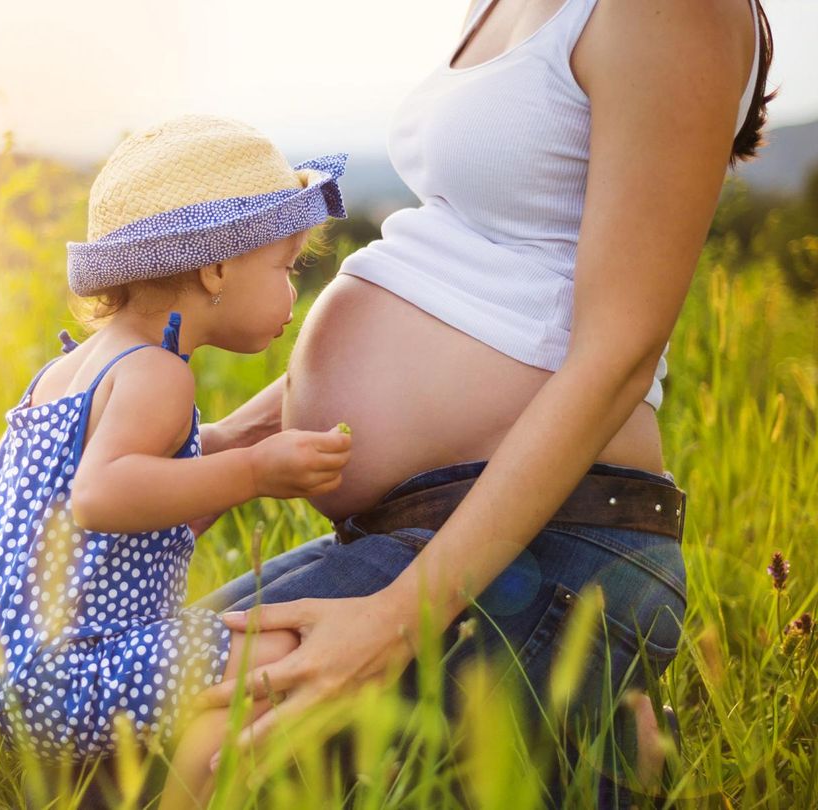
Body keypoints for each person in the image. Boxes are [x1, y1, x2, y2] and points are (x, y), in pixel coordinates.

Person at [179, 0, 776, 806]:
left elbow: (619, 353)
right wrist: (221, 451)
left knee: (189, 758)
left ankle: (592, 736)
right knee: (111, 717)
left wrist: (398, 622)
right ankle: (595, 751)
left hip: (549, 541)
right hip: (418, 531)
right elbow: (465, 286)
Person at [0, 115, 353, 804]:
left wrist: (216, 451)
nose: (292, 292)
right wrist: (255, 474)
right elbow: (101, 495)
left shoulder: (65, 373)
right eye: (287, 268)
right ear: (216, 268)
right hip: (62, 684)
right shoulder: (161, 374)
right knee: (275, 653)